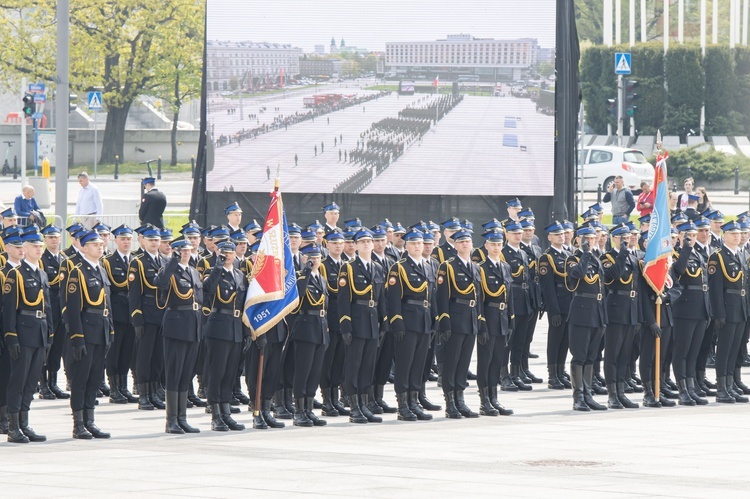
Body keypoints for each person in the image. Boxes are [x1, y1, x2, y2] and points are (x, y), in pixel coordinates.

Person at [2, 227, 52, 443]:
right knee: (18, 380)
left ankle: (24, 422)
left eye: (40, 246)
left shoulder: (41, 273)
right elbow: (9, 309)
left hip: (39, 332)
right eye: (34, 246)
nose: (39, 250)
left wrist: (49, 333)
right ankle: (13, 426)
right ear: (24, 248)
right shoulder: (15, 274)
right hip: (23, 332)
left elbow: (47, 306)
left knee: (31, 382)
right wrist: (11, 335)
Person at [65, 229, 114, 439]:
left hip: (101, 330)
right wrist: (77, 337)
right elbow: (73, 308)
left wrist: (110, 330)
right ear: (84, 247)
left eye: (101, 244)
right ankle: (78, 424)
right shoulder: (78, 272)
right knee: (81, 379)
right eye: (95, 245)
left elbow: (107, 304)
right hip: (86, 331)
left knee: (95, 378)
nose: (100, 247)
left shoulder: (101, 269)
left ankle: (90, 420)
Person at [338, 229, 387, 424]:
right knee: (354, 365)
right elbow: (343, 301)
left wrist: (384, 321)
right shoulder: (348, 268)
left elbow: (381, 297)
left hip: (372, 322)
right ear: (356, 245)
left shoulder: (377, 268)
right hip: (356, 322)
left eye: (369, 241)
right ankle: (354, 406)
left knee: (368, 365)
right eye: (363, 241)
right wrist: (346, 326)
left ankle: (364, 403)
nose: (367, 244)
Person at [386, 229, 435, 421]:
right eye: (413, 243)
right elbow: (393, 298)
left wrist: (435, 319)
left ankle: (414, 401)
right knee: (405, 364)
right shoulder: (399, 268)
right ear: (406, 246)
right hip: (407, 320)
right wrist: (396, 321)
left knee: (419, 364)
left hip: (424, 320)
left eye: (420, 243)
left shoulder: (428, 267)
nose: (417, 246)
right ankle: (403, 404)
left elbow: (431, 296)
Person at [435, 229, 485, 418]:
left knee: (464, 362)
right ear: (455, 245)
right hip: (455, 319)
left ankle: (460, 399)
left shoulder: (475, 267)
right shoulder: (447, 267)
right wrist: (444, 321)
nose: (465, 244)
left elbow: (478, 297)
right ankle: (450, 403)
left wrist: (480, 320)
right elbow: (442, 297)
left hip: (470, 319)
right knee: (451, 362)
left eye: (468, 241)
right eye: (461, 241)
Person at [155, 238, 203, 434]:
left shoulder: (193, 271)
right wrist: (172, 262)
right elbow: (160, 283)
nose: (186, 252)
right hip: (176, 325)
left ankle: (182, 418)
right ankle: (171, 420)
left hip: (192, 326)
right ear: (174, 252)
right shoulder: (168, 270)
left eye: (188, 249)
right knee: (174, 373)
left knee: (186, 374)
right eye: (181, 250)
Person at [202, 240, 248, 432]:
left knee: (230, 373)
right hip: (219, 326)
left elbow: (244, 303)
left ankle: (226, 411)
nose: (228, 255)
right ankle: (216, 414)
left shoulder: (240, 275)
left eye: (230, 252)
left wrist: (246, 332)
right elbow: (208, 289)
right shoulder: (213, 273)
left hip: (236, 328)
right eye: (224, 252)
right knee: (217, 372)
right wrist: (218, 268)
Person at [564, 226, 608, 411]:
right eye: (586, 238)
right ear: (578, 240)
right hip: (581, 312)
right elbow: (578, 275)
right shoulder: (573, 259)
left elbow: (601, 289)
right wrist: (586, 254)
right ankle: (578, 397)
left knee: (591, 356)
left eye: (592, 238)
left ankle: (588, 394)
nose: (591, 241)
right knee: (580, 356)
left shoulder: (596, 259)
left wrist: (604, 316)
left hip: (597, 311)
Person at [708, 220, 750, 403]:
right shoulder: (718, 256)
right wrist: (719, 313)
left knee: (735, 349)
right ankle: (721, 388)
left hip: (740, 308)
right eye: (733, 234)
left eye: (739, 233)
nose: (737, 236)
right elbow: (715, 288)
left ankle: (730, 384)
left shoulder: (740, 255)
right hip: (727, 308)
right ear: (725, 235)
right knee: (724, 349)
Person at [601, 224, 641, 409]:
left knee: (626, 354)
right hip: (616, 310)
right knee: (612, 354)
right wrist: (622, 253)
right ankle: (612, 394)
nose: (627, 240)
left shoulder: (633, 257)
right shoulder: (607, 258)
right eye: (622, 238)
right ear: (614, 239)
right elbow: (613, 276)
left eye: (628, 237)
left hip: (631, 311)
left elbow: (637, 287)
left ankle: (621, 390)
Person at [475, 228, 514, 416]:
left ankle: (494, 397)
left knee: (497, 360)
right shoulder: (480, 268)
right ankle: (484, 400)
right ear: (486, 246)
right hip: (488, 318)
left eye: (499, 244)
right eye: (493, 244)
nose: (497, 248)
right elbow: (479, 298)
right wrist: (480, 323)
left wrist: (511, 319)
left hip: (502, 319)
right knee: (485, 360)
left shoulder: (505, 267)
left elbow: (509, 296)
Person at [290, 245, 329, 427]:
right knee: (303, 371)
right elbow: (297, 300)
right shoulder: (300, 277)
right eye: (312, 257)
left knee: (315, 372)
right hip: (305, 329)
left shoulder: (321, 279)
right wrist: (305, 273)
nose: (316, 261)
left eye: (318, 257)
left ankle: (309, 408)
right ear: (304, 258)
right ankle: (298, 410)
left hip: (320, 329)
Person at [128, 224, 166, 410]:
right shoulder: (138, 262)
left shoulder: (164, 261)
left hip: (162, 315)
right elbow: (134, 294)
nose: (154, 243)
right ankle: (143, 394)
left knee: (158, 356)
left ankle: (153, 391)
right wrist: (137, 318)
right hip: (146, 315)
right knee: (144, 356)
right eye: (151, 240)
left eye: (156, 240)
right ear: (144, 241)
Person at [102, 225, 137, 404]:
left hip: (132, 311)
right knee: (115, 352)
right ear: (115, 241)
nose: (126, 242)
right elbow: (111, 288)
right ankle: (114, 387)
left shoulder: (135, 260)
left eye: (129, 239)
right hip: (117, 311)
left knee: (127, 351)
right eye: (122, 239)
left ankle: (123, 386)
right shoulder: (108, 261)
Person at [538, 222, 573, 390]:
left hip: (569, 304)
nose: (561, 236)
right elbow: (548, 287)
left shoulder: (568, 254)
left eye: (562, 234)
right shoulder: (547, 258)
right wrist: (554, 310)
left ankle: (560, 371)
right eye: (557, 234)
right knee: (555, 340)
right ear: (549, 237)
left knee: (565, 340)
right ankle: (552, 374)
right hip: (557, 305)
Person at [39, 224, 70, 400]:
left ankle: (53, 382)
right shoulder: (42, 260)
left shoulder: (63, 259)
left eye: (56, 237)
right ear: (45, 240)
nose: (53, 240)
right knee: (47, 348)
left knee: (57, 348)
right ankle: (43, 385)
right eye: (50, 237)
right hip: (49, 308)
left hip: (62, 308)